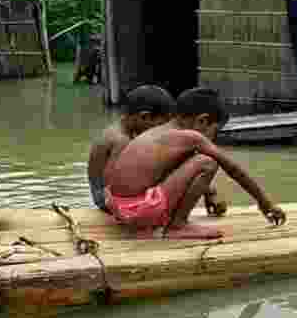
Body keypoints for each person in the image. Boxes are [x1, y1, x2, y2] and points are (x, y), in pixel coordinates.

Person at [104, 87, 286, 239]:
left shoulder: (159, 132)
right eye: (215, 131)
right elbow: (233, 168)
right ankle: (178, 226)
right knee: (208, 162)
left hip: (119, 208)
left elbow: (174, 168)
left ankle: (172, 221)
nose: (213, 137)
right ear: (202, 121)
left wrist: (209, 195)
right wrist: (265, 203)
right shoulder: (191, 137)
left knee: (195, 160)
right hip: (138, 212)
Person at [87, 85, 176, 213]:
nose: (161, 131)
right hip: (107, 200)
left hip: (102, 195)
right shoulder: (122, 141)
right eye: (161, 125)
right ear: (144, 117)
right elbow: (113, 185)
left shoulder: (116, 129)